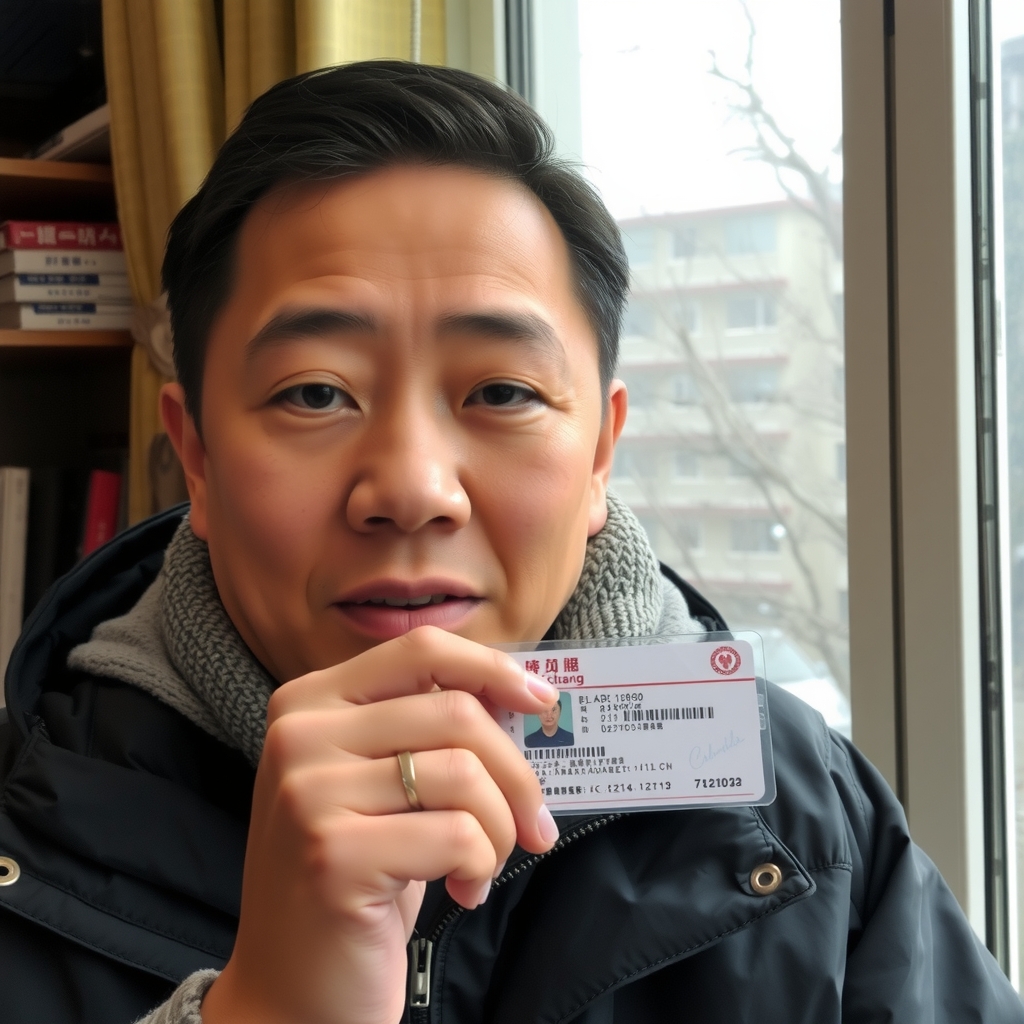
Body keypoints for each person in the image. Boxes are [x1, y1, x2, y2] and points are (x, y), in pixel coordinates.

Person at [0, 59, 1020, 1024]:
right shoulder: (26, 823)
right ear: (200, 458)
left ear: (599, 456)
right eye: (315, 392)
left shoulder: (801, 809)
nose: (411, 488)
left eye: (501, 391)